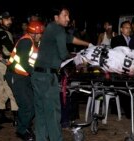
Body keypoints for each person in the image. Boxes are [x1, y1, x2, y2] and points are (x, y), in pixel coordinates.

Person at [31, 6, 90, 141]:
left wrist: (89, 44)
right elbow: (64, 54)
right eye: (65, 16)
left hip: (37, 75)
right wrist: (79, 58)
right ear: (56, 17)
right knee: (53, 113)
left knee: (40, 113)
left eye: (69, 16)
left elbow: (71, 39)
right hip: (47, 77)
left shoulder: (51, 28)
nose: (68, 19)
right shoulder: (58, 29)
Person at [5, 21, 44, 141]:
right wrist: (36, 73)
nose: (41, 35)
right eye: (40, 33)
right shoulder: (26, 41)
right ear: (35, 33)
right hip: (16, 76)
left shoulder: (33, 42)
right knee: (27, 105)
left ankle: (25, 126)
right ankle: (21, 131)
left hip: (24, 77)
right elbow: (23, 62)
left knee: (31, 104)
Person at [0, 11, 18, 126]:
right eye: (6, 19)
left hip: (5, 63)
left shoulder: (5, 32)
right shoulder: (0, 32)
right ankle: (16, 116)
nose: (9, 21)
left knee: (2, 89)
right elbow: (10, 47)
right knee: (11, 88)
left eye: (10, 19)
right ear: (1, 21)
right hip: (4, 63)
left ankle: (0, 114)